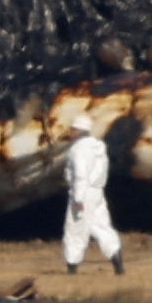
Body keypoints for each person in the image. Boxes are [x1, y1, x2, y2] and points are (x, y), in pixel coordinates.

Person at [61, 115, 124, 276]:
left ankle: (72, 267)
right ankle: (117, 261)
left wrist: (78, 198)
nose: (71, 132)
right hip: (97, 192)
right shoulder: (98, 146)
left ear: (79, 131)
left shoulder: (79, 150)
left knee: (75, 229)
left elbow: (81, 175)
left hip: (83, 192)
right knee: (102, 226)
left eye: (73, 129)